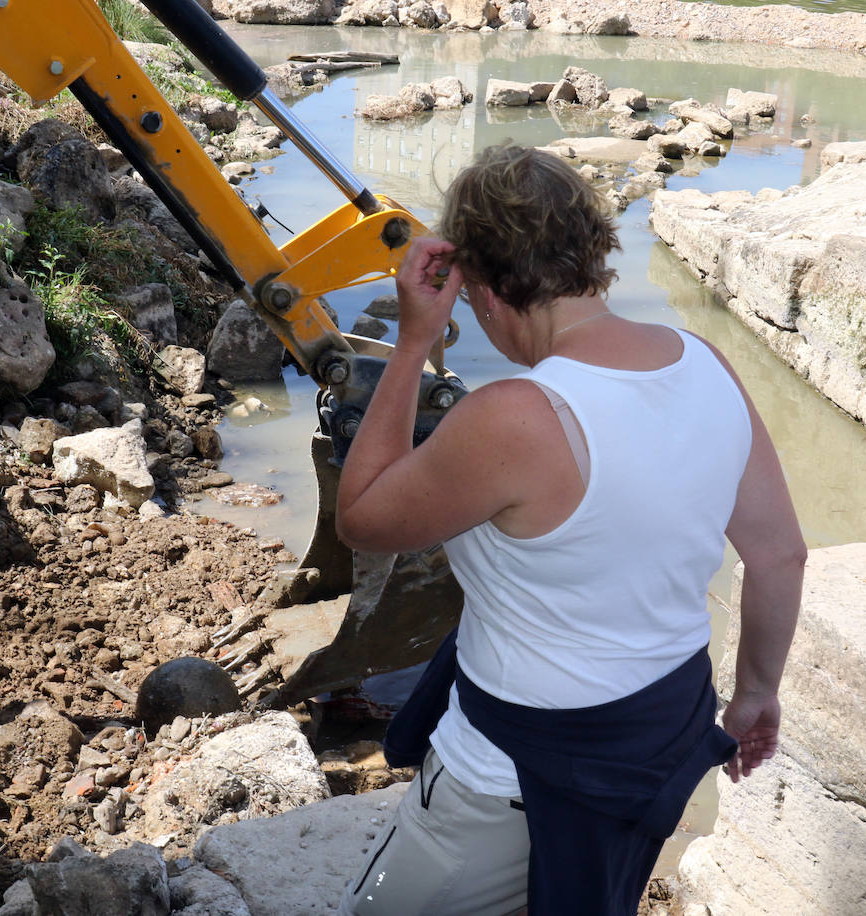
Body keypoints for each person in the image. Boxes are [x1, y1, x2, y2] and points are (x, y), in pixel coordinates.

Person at [333, 144, 805, 916]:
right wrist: (755, 694)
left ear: (482, 291)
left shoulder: (516, 415)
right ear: (592, 249)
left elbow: (365, 518)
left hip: (510, 777)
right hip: (658, 740)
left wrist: (414, 342)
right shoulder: (706, 362)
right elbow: (781, 555)